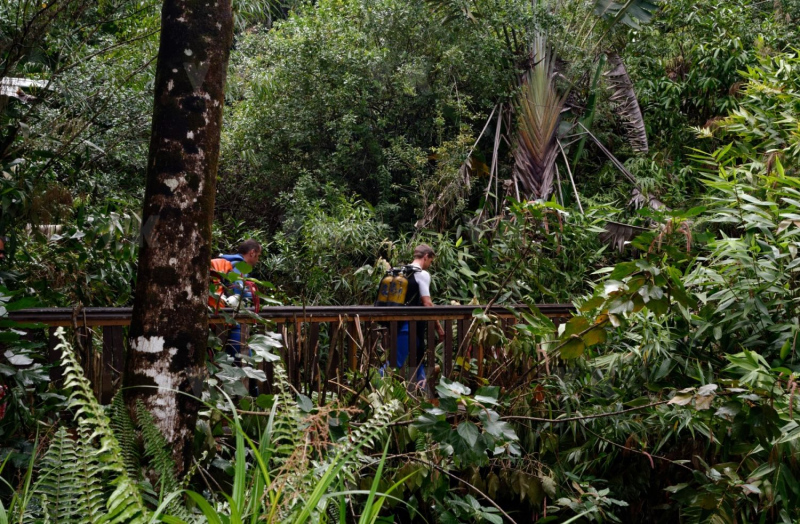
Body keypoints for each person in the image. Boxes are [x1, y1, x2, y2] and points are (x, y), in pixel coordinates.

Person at [386, 244, 445, 383]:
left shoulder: (400, 272)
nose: (429, 265)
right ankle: (374, 386)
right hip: (408, 327)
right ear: (426, 257)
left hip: (399, 324)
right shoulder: (421, 274)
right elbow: (427, 303)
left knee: (418, 358)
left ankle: (422, 393)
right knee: (395, 363)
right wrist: (438, 327)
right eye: (430, 261)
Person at [213, 239, 262, 365]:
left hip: (218, 312)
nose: (258, 260)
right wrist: (252, 295)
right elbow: (237, 290)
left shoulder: (228, 261)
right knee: (242, 357)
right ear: (252, 253)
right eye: (258, 256)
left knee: (229, 357)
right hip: (230, 317)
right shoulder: (238, 265)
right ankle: (251, 384)